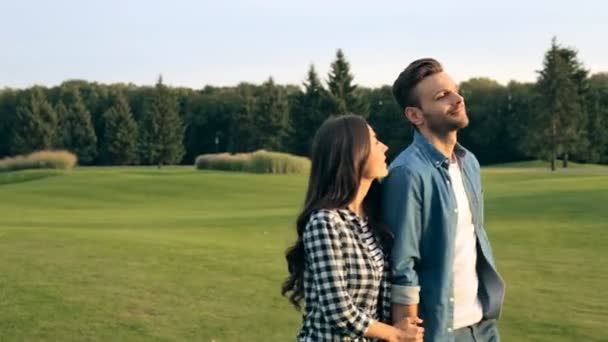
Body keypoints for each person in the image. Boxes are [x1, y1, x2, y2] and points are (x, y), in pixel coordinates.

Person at [383, 59, 505, 342]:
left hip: (483, 325)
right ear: (415, 115)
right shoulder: (407, 174)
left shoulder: (469, 163)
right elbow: (402, 265)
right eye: (442, 96)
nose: (458, 99)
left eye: (455, 90)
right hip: (442, 332)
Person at [282, 114, 424, 342]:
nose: (385, 147)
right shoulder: (326, 222)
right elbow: (339, 311)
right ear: (353, 152)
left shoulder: (370, 221)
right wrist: (396, 334)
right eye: (375, 141)